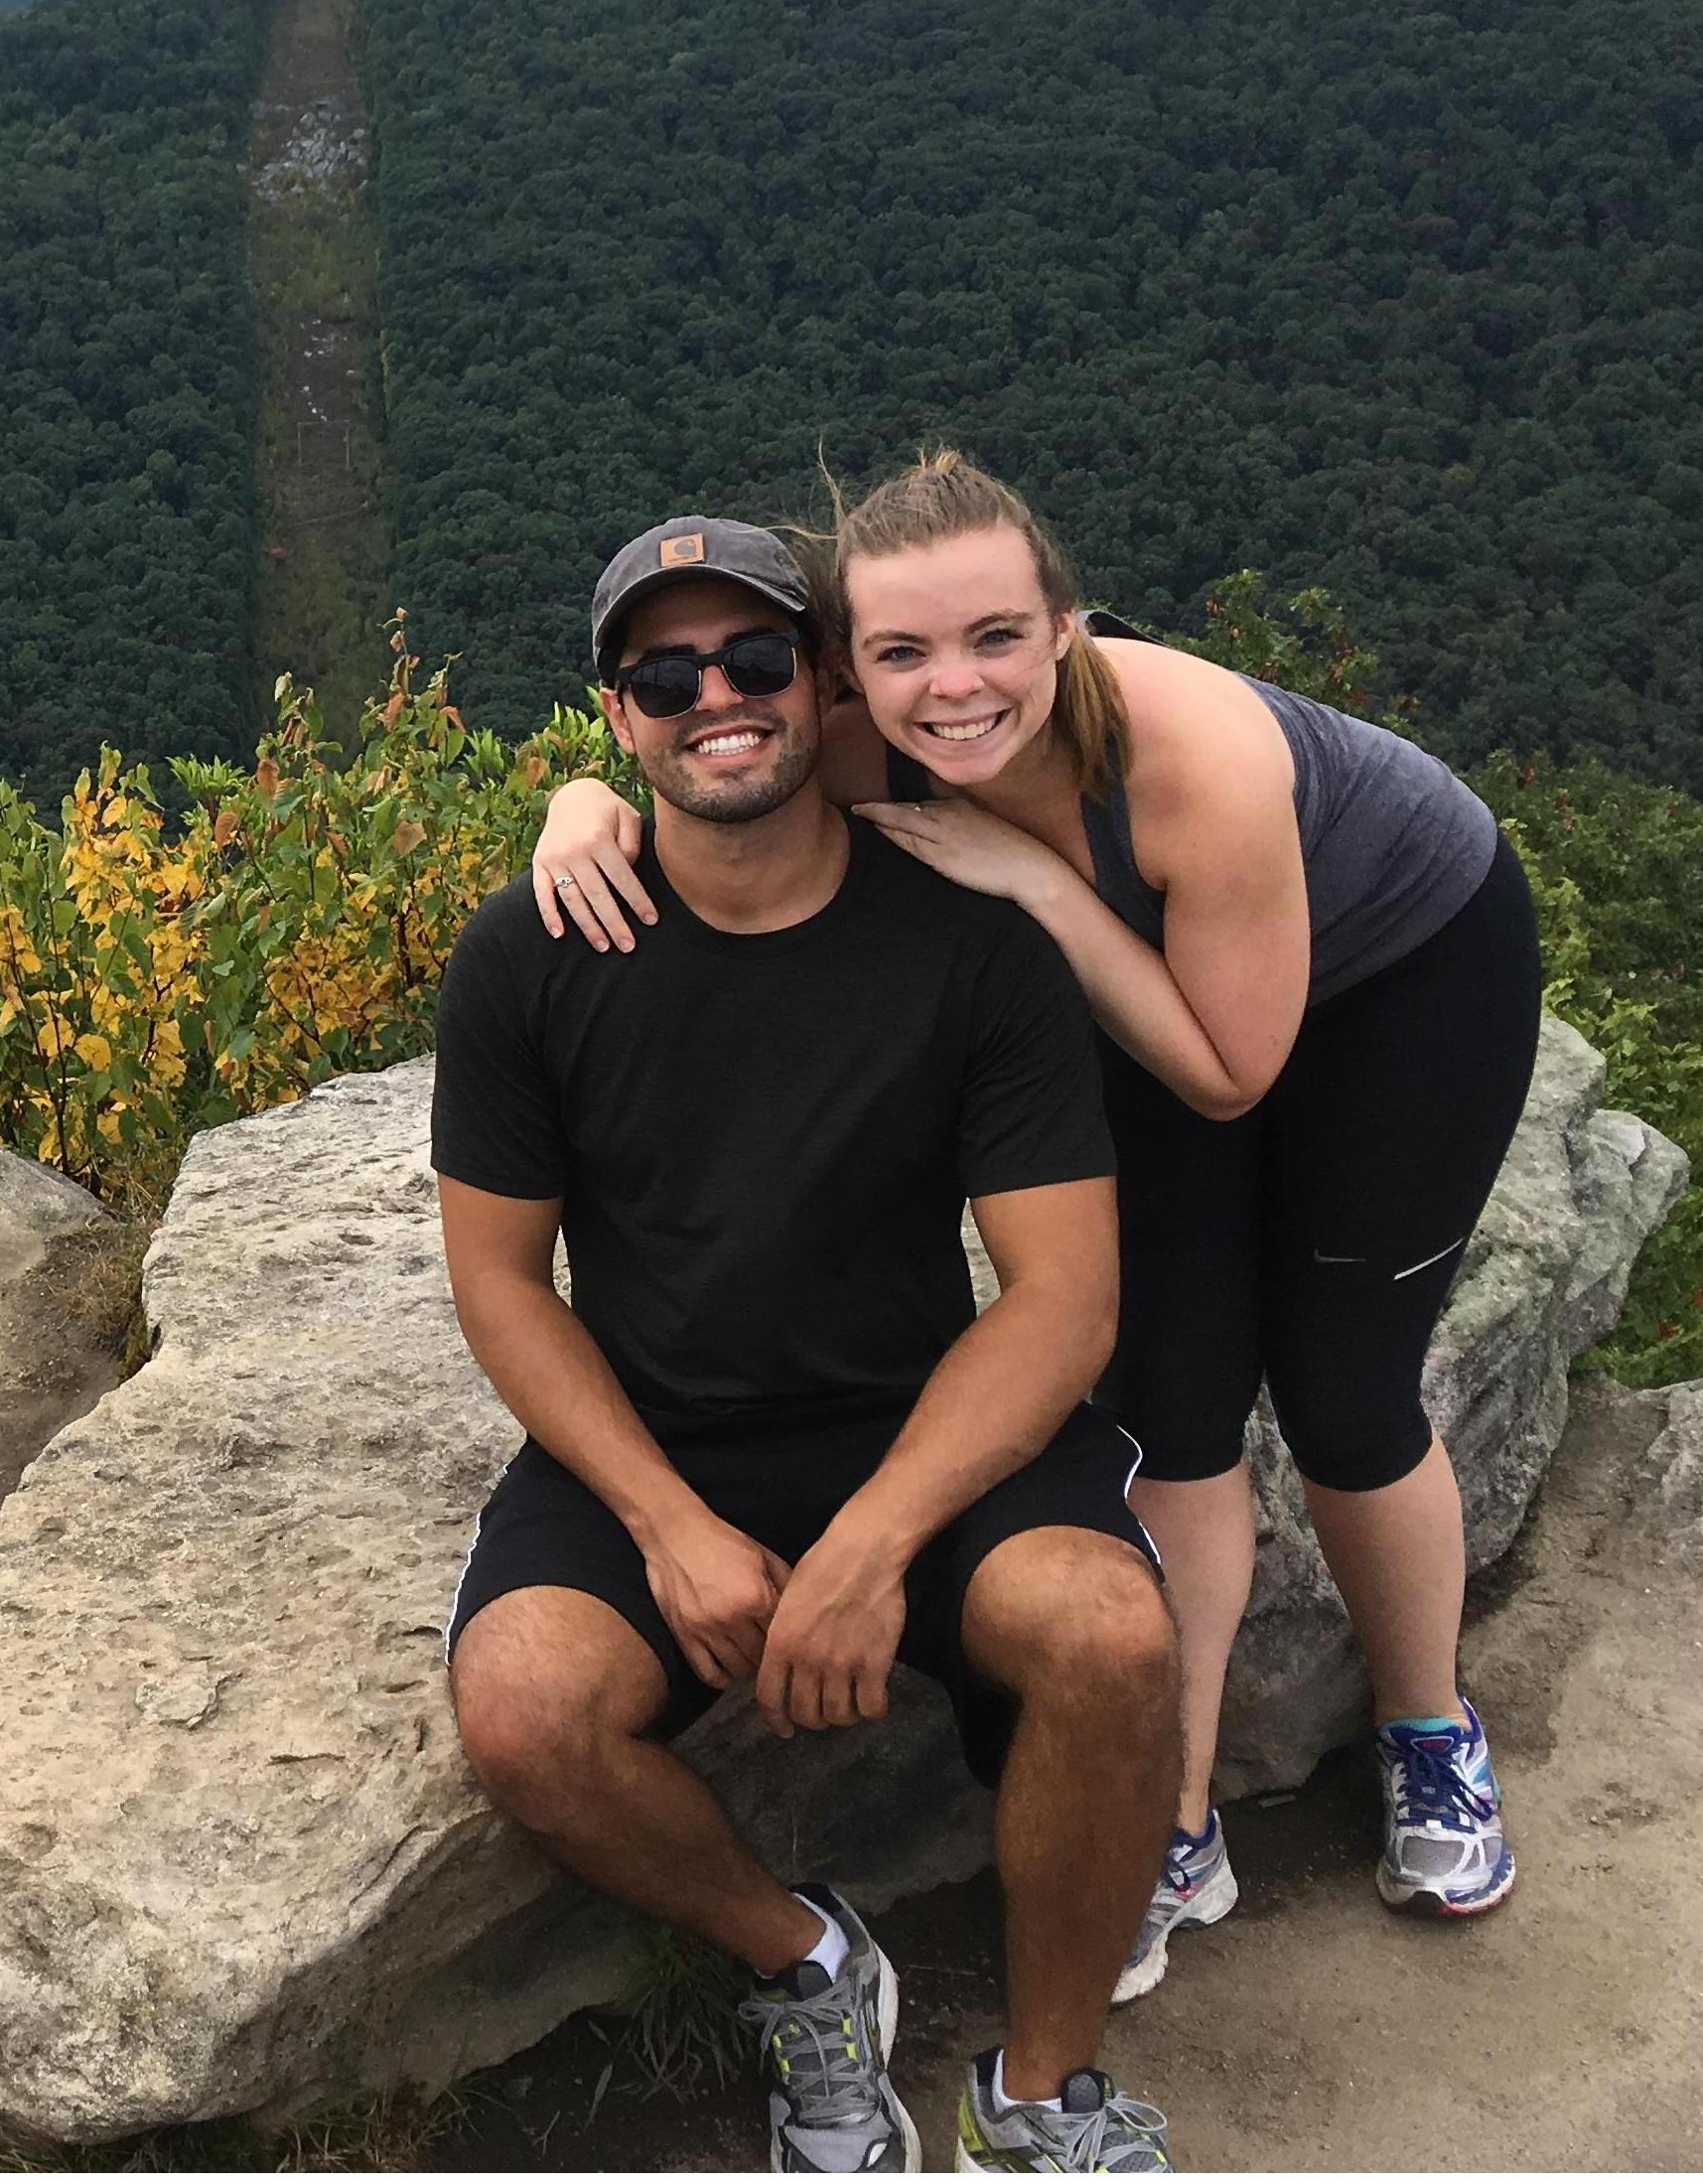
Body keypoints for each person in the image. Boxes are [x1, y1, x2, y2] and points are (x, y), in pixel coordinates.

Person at [533, 453, 1543, 2005]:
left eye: (998, 637)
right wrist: (579, 800)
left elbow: (1231, 1073)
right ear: (847, 669)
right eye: (903, 654)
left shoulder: (1187, 760)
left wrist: (1038, 884)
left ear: (1066, 624)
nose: (955, 692)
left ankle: (1430, 1730)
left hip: (1398, 984)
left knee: (1345, 1396)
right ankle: (1177, 1815)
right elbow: (707, 754)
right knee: (1175, 1405)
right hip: (1153, 996)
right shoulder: (861, 740)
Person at [437, 512, 1181, 2174]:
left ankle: (1046, 2094)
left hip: (918, 1419)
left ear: (824, 683)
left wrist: (873, 1543)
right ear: (616, 716)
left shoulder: (970, 944)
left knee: (1111, 1638)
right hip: (667, 1431)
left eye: (759, 660)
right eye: (668, 674)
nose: (721, 698)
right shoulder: (532, 956)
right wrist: (665, 1523)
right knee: (525, 1710)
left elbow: (1064, 1296)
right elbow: (500, 1280)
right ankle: (807, 1961)